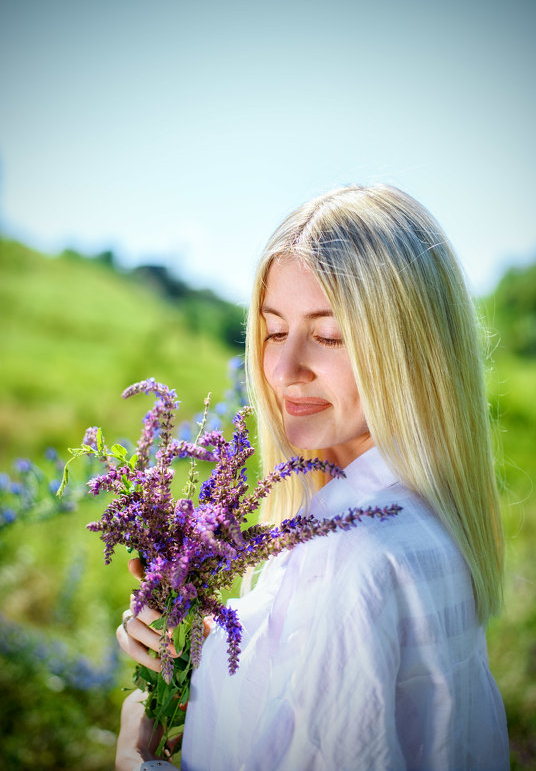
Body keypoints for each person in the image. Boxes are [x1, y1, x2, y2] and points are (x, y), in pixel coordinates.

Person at [115, 184, 509, 770]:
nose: (281, 367)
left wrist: (133, 755)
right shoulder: (425, 523)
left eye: (327, 336)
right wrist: (198, 661)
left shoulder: (351, 556)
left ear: (410, 349)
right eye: (274, 330)